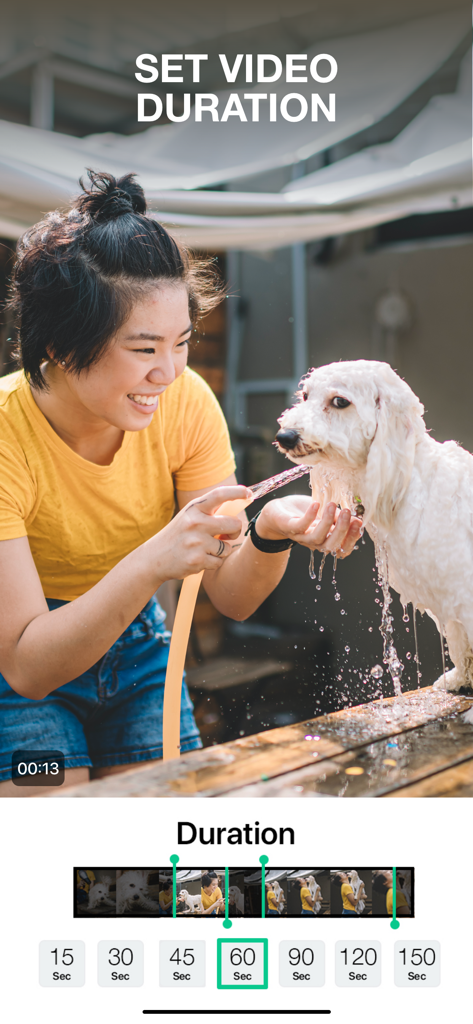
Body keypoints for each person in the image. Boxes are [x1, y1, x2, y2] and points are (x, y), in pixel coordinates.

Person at [0, 170, 362, 794]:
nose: (168, 372)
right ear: (59, 345)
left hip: (138, 650)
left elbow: (233, 596)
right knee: (51, 806)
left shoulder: (186, 402)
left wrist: (268, 532)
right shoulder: (8, 436)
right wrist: (153, 561)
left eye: (182, 343)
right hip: (24, 664)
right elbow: (29, 667)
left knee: (155, 828)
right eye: (143, 350)